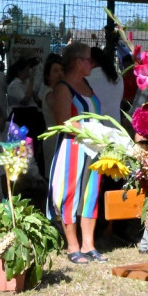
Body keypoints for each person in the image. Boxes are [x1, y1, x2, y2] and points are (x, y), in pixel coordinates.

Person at [47, 41, 105, 265]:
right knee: (69, 195)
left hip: (94, 147)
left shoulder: (87, 84)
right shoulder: (63, 88)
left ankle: (89, 244)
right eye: (88, 59)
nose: (92, 63)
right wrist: (91, 132)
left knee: (91, 194)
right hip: (72, 148)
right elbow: (62, 122)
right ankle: (72, 245)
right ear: (77, 62)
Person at [87, 46, 124, 122]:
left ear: (92, 62)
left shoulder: (85, 79)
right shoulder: (118, 78)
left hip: (94, 128)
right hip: (115, 126)